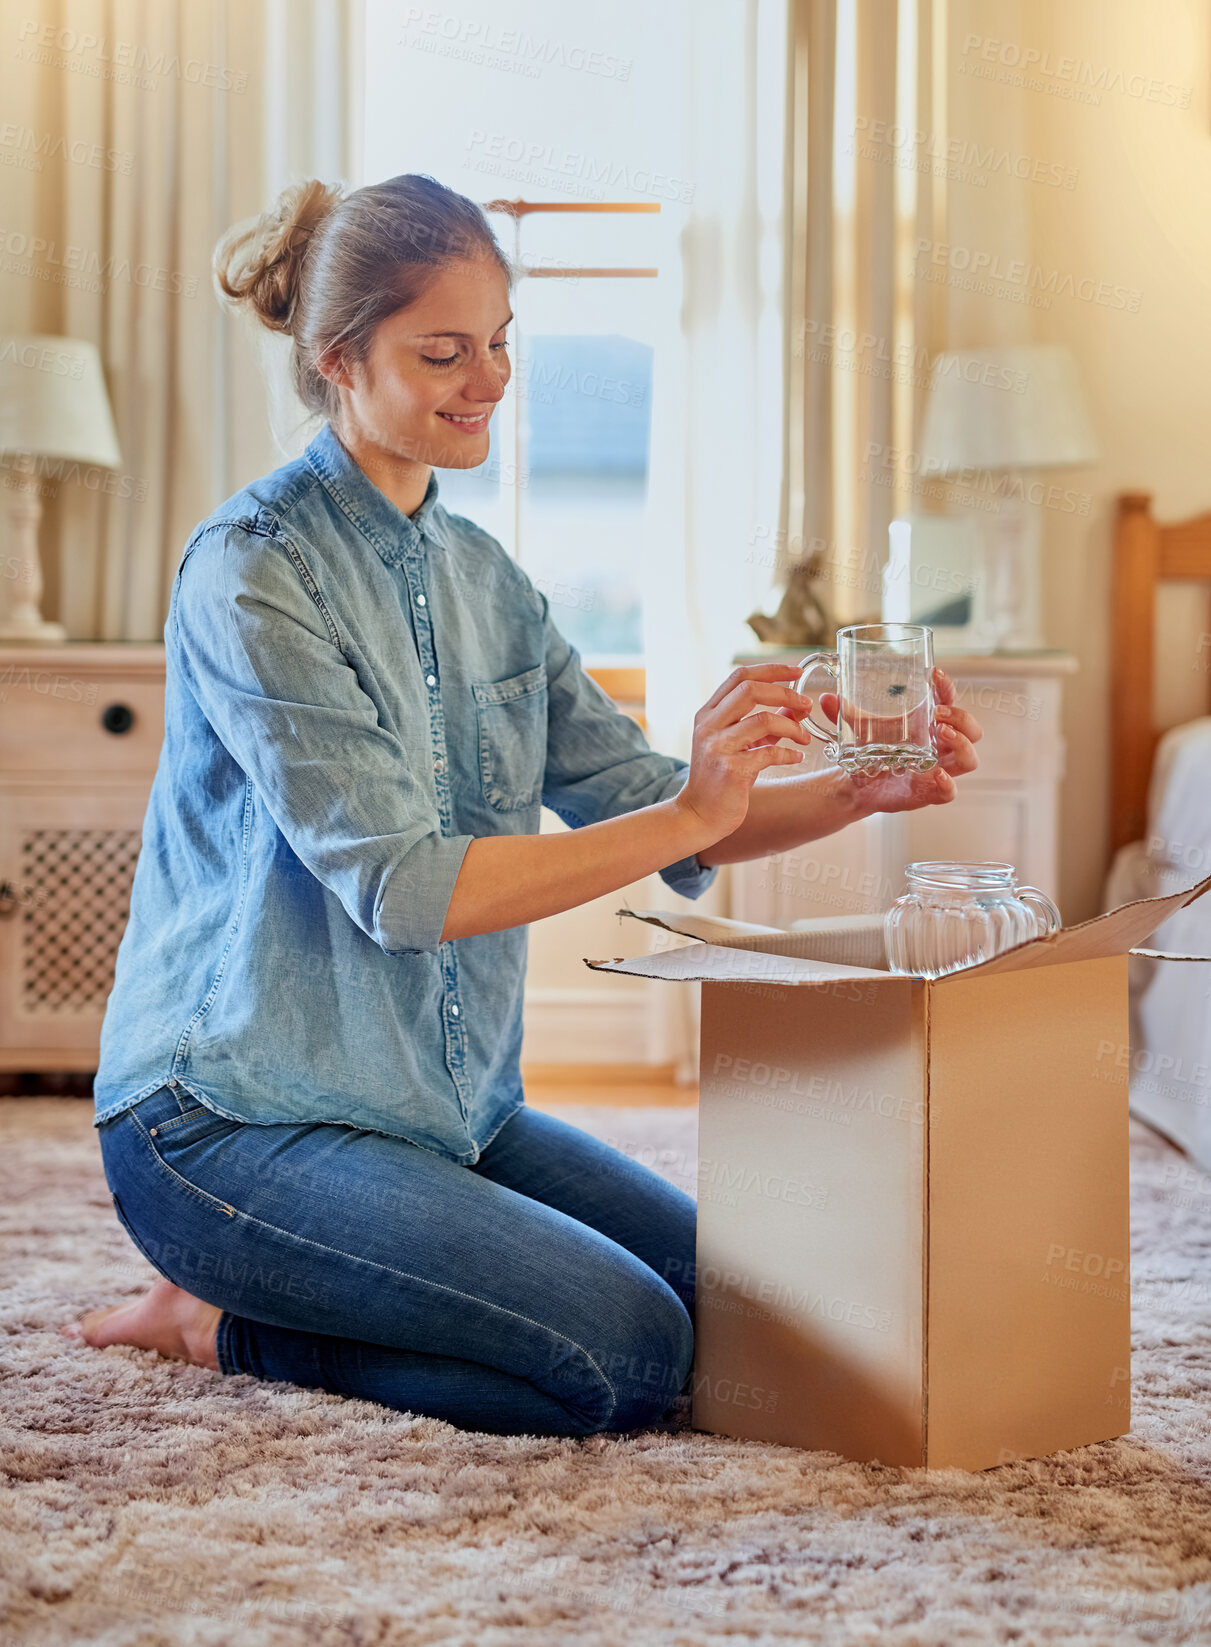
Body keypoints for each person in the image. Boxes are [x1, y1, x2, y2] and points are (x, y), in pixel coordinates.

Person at [61, 174, 982, 1436]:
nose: (487, 379)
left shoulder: (484, 576)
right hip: (228, 1124)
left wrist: (865, 790)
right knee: (627, 1354)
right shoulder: (252, 569)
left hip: (444, 1109)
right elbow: (405, 889)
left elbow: (656, 801)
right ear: (339, 359)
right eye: (442, 351)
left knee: (752, 1319)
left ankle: (339, 1282)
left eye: (499, 344)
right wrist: (687, 818)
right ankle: (221, 1321)